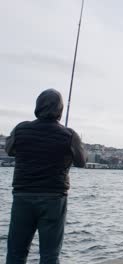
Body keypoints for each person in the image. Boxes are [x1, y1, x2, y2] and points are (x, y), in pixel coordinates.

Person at [5, 89, 86, 263]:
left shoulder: (21, 129)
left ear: (38, 106)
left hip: (23, 197)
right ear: (60, 109)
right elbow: (82, 162)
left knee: (15, 252)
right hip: (54, 199)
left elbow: (9, 150)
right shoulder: (69, 135)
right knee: (50, 255)